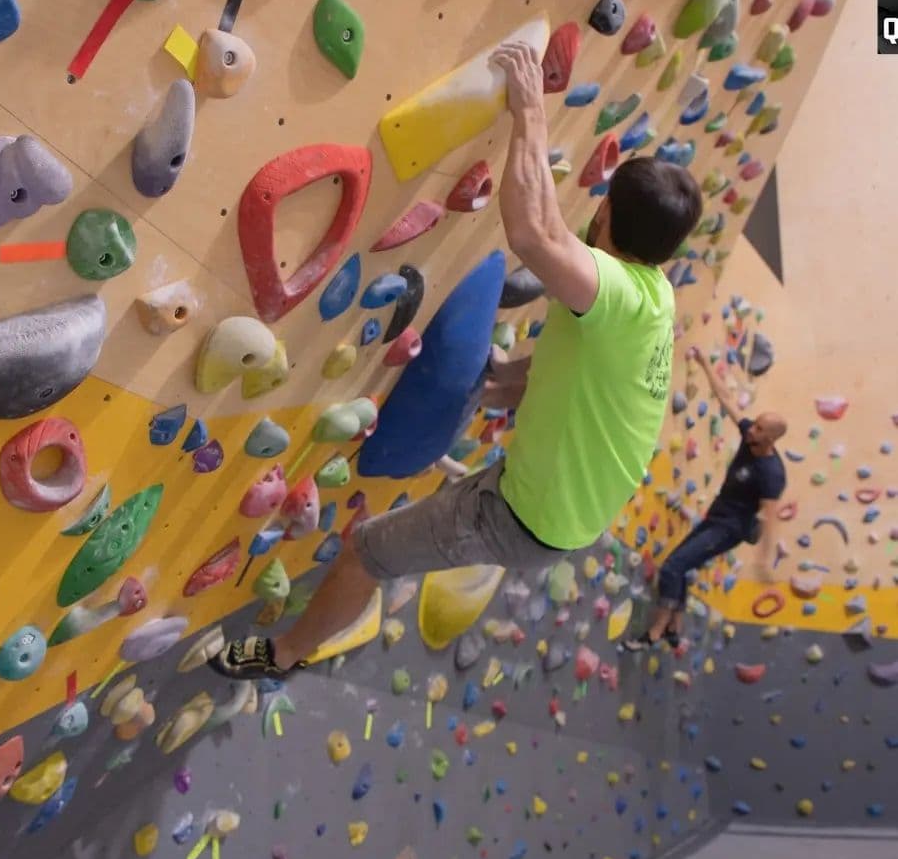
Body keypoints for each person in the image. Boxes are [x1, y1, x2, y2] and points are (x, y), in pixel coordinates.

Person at [210, 41, 703, 680]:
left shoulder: (610, 293)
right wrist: (514, 380)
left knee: (365, 553)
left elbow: (533, 232)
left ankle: (283, 655)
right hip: (563, 510)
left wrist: (530, 111)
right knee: (406, 532)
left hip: (524, 518)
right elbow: (594, 374)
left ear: (605, 211)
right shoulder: (653, 294)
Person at [625, 346, 787, 650]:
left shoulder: (771, 473)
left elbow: (770, 516)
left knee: (673, 567)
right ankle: (675, 627)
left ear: (771, 439)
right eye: (754, 424)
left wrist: (764, 560)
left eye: (759, 429)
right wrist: (703, 361)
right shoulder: (750, 436)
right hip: (717, 515)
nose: (751, 429)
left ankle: (655, 633)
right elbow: (726, 398)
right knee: (681, 566)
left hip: (731, 528)